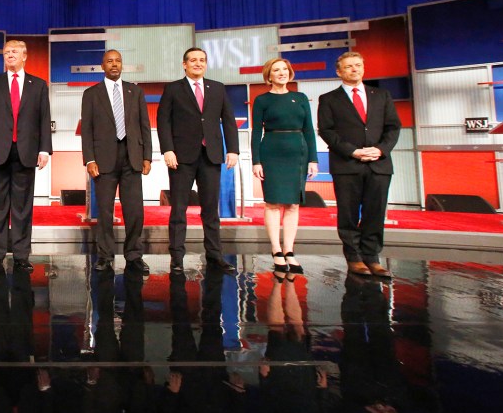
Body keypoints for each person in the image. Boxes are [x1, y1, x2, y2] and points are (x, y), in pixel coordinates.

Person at [317, 51, 401, 279]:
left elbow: (393, 127)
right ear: (339, 72)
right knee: (348, 214)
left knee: (375, 212)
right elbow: (326, 131)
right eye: (349, 66)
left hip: (379, 163)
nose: (354, 69)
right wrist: (352, 151)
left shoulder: (381, 95)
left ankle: (373, 258)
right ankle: (354, 258)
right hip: (347, 164)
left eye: (357, 65)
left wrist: (381, 149)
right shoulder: (328, 99)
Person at [157, 47, 239, 274]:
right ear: (184, 64)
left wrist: (233, 150)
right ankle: (176, 259)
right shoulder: (173, 89)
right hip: (181, 158)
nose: (198, 63)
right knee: (179, 210)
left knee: (211, 210)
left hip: (211, 156)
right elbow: (163, 121)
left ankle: (215, 256)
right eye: (193, 60)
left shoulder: (218, 88)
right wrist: (167, 150)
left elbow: (229, 121)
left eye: (202, 60)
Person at [0, 40, 52, 274]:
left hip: (26, 152)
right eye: (6, 52)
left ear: (25, 56)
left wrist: (44, 149)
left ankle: (21, 255)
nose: (10, 55)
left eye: (14, 51)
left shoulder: (38, 85)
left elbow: (43, 119)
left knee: (22, 207)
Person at [80, 49, 152, 275]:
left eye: (118, 61)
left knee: (135, 211)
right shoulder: (91, 94)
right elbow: (87, 130)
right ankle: (104, 256)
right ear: (102, 66)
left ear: (122, 65)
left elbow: (144, 126)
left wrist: (147, 156)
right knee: (104, 211)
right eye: (109, 61)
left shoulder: (135, 91)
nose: (114, 64)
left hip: (132, 158)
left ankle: (134, 255)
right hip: (103, 160)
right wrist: (89, 159)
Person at [251, 57, 318, 278]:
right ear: (268, 75)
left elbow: (309, 130)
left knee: (292, 205)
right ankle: (276, 249)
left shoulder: (299, 98)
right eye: (276, 70)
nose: (281, 73)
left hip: (298, 152)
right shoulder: (262, 100)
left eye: (285, 69)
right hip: (271, 151)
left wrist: (313, 159)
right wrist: (256, 161)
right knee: (272, 203)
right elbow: (255, 133)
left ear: (290, 73)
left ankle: (289, 250)